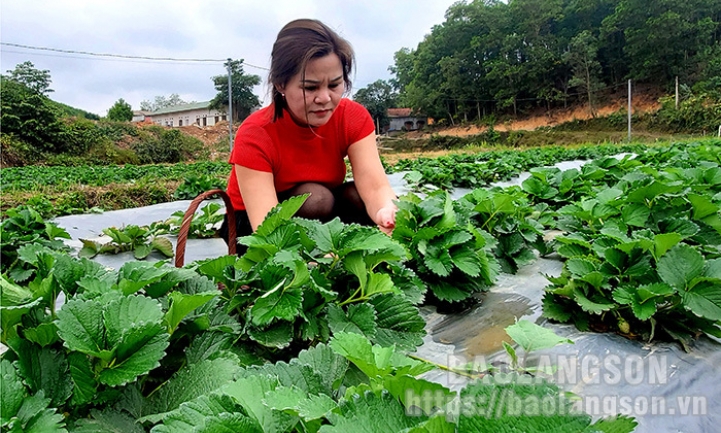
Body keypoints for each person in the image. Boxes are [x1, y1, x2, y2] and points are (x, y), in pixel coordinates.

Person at [219, 18, 397, 254]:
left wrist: (386, 211)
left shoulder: (352, 118)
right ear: (281, 84)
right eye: (310, 88)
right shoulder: (256, 134)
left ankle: (354, 257)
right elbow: (267, 225)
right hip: (252, 224)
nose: (324, 98)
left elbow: (375, 187)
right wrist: (307, 262)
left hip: (319, 219)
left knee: (357, 197)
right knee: (316, 198)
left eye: (334, 85)